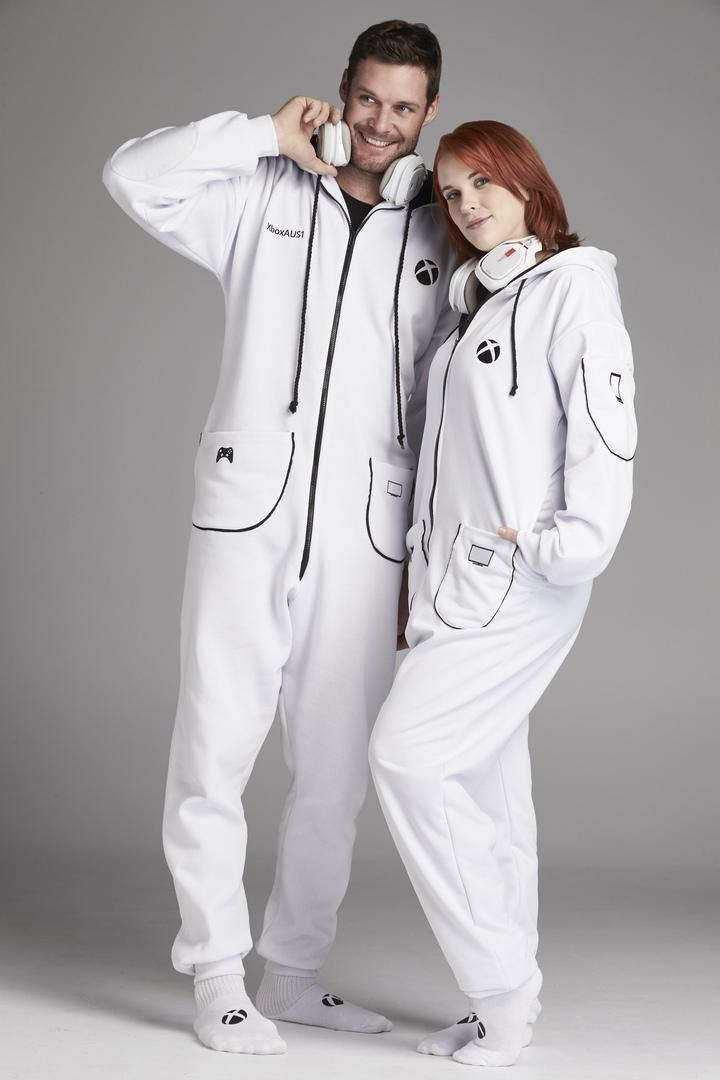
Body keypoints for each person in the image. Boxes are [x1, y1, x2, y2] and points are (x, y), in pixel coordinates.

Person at [102, 20, 456, 1056]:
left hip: (369, 535)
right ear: (339, 96)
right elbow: (131, 177)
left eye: (403, 106)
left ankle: (294, 974)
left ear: (428, 113)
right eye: (367, 99)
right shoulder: (260, 192)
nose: (381, 122)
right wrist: (261, 134)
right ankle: (217, 974)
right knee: (214, 746)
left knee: (336, 773)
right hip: (246, 514)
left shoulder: (440, 229)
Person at [369, 119, 637, 1067]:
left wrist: (565, 546)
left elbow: (603, 429)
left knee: (407, 759)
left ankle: (500, 986)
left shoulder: (573, 288)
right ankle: (503, 1004)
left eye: (485, 181)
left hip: (519, 580)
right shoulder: (480, 302)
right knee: (485, 785)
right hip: (450, 582)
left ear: (528, 184)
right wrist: (416, 578)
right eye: (452, 192)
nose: (468, 203)